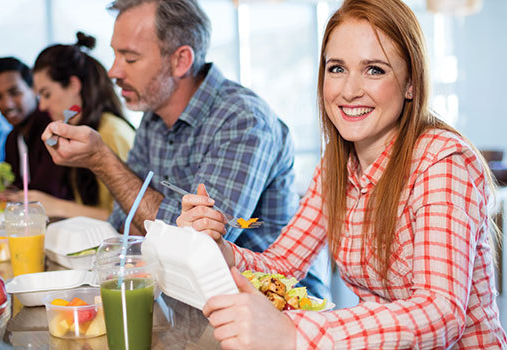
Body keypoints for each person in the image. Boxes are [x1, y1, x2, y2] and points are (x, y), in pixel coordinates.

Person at [176, 0, 507, 348]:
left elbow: (439, 311)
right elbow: (283, 263)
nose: (349, 91)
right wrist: (220, 250)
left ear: (411, 84)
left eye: (374, 70)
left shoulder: (442, 161)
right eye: (336, 68)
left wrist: (295, 334)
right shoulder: (337, 167)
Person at [41, 0, 329, 297]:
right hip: (193, 298)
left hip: (275, 305)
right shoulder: (154, 116)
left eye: (130, 58)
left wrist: (102, 160)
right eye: (115, 54)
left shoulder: (243, 119)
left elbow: (199, 249)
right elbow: (125, 224)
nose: (113, 71)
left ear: (180, 61)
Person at [7, 32, 135, 219]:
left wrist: (56, 206)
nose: (42, 106)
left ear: (74, 85)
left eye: (47, 94)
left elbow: (132, 219)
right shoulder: (81, 132)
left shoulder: (111, 132)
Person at [0, 57, 72, 201]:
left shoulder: (53, 128)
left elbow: (49, 191)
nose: (7, 104)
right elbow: (13, 185)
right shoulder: (12, 138)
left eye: (14, 93)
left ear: (34, 89)